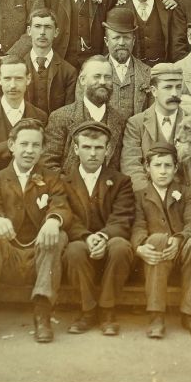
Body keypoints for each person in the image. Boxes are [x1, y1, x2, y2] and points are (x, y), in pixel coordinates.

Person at [0, 118, 71, 345]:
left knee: (58, 235)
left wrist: (53, 220)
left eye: (36, 145)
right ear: (11, 145)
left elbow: (61, 205)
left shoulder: (52, 178)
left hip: (39, 257)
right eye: (24, 144)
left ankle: (42, 311)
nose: (29, 151)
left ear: (43, 149)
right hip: (8, 257)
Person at [59, 121, 136, 336]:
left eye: (98, 147)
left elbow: (122, 216)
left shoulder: (121, 181)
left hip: (109, 245)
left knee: (120, 246)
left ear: (107, 149)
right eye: (86, 147)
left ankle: (107, 310)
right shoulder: (64, 182)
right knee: (74, 250)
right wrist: (86, 237)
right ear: (76, 149)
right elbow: (68, 217)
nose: (93, 154)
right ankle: (88, 310)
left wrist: (103, 236)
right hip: (82, 246)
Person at [131, 143, 191, 339]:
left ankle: (189, 314)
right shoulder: (140, 196)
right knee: (157, 239)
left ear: (176, 168)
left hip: (183, 256)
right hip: (154, 258)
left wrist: (179, 239)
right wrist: (139, 246)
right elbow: (137, 226)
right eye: (157, 165)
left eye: (168, 166)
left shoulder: (187, 193)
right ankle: (156, 316)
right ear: (147, 168)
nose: (163, 171)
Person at [42, 55, 126, 175]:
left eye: (107, 77)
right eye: (97, 76)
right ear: (82, 80)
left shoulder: (119, 120)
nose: (103, 82)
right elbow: (48, 165)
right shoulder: (61, 117)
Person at [120, 63, 186, 192]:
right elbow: (131, 165)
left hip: (184, 195)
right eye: (168, 87)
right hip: (147, 195)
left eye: (178, 87)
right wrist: (151, 195)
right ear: (154, 91)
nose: (174, 93)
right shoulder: (136, 124)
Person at [12, 8, 79, 116]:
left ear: (56, 32)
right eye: (37, 26)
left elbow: (69, 113)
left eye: (48, 27)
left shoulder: (68, 72)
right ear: (29, 31)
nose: (42, 32)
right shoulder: (16, 68)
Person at [100, 7, 153, 121]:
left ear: (133, 41)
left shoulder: (148, 73)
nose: (122, 43)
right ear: (106, 41)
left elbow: (151, 117)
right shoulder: (92, 72)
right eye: (116, 38)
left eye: (126, 38)